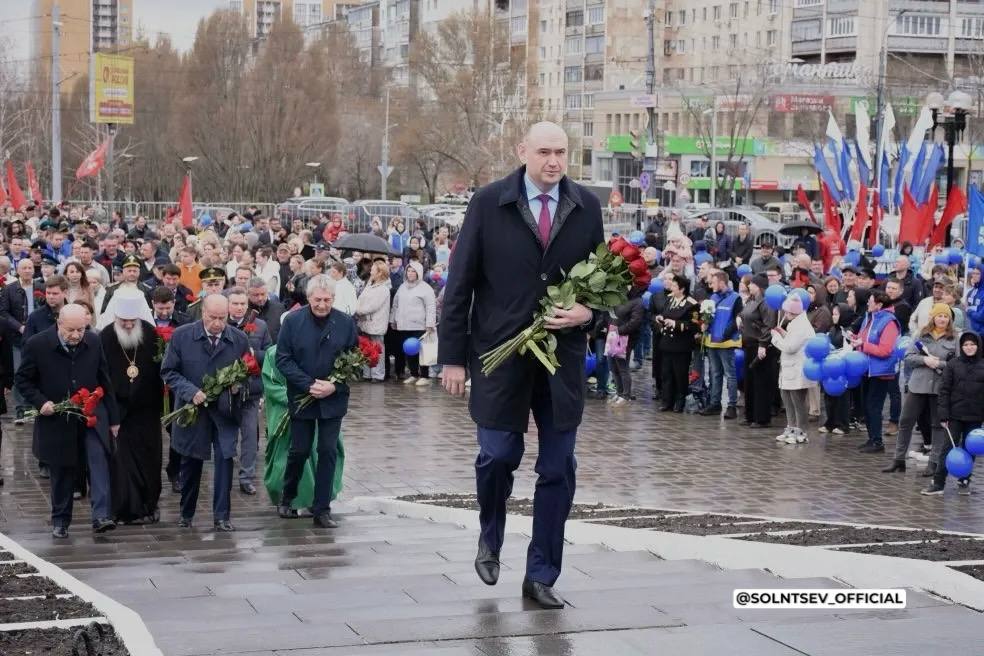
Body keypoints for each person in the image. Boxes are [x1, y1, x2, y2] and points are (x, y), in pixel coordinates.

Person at [438, 122, 604, 609]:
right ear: (522, 152)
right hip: (500, 355)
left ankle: (541, 574)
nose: (554, 161)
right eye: (544, 152)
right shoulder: (489, 203)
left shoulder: (587, 206)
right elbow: (460, 283)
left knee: (558, 467)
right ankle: (490, 536)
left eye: (562, 152)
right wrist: (452, 357)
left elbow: (606, 281)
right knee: (497, 455)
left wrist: (589, 313)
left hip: (561, 359)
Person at [15, 304, 120, 538]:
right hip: (57, 417)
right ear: (59, 324)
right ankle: (60, 520)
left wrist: (113, 418)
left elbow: (104, 378)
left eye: (80, 330)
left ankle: (101, 516)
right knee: (62, 470)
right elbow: (23, 380)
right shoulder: (38, 345)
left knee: (98, 460)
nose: (76, 336)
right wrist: (41, 402)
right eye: (70, 330)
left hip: (92, 415)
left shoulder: (93, 341)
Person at [161, 294, 250, 532]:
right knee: (190, 462)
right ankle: (186, 513)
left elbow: (251, 376)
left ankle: (222, 516)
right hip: (193, 411)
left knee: (225, 461)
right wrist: (190, 391)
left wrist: (238, 386)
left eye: (223, 318)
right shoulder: (182, 336)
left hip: (225, 413)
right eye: (213, 318)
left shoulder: (239, 339)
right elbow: (168, 371)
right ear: (203, 313)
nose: (218, 323)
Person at [275, 275, 357, 528]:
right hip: (303, 396)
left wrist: (335, 384)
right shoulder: (293, 321)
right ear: (308, 298)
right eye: (317, 299)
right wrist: (308, 384)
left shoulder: (345, 322)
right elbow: (283, 359)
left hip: (333, 397)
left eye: (327, 300)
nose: (322, 304)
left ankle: (322, 509)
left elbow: (355, 359)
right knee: (300, 449)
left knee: (327, 451)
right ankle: (287, 497)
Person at [101, 297, 164, 524]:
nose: (128, 325)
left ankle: (148, 505)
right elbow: (102, 373)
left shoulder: (150, 334)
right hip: (119, 411)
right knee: (122, 461)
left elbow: (159, 370)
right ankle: (126, 508)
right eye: (124, 321)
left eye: (132, 321)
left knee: (149, 457)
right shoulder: (106, 337)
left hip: (146, 410)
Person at [261, 343, 345, 513]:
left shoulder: (324, 348)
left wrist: (322, 391)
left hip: (319, 407)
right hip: (286, 410)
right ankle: (287, 500)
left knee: (323, 451)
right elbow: (271, 384)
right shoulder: (274, 352)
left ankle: (318, 499)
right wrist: (295, 399)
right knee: (288, 455)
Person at [883, 304, 955, 474]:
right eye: (939, 316)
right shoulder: (921, 335)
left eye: (945, 316)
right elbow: (908, 357)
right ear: (933, 317)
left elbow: (957, 363)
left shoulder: (955, 338)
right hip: (918, 385)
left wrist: (941, 364)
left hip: (940, 387)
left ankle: (934, 462)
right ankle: (899, 460)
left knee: (938, 425)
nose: (942, 319)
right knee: (906, 421)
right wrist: (925, 361)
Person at [925, 332, 984, 495]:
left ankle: (964, 479)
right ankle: (938, 482)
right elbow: (944, 390)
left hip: (975, 416)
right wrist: (943, 414)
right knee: (947, 447)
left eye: (972, 344)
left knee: (969, 448)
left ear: (978, 346)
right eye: (966, 344)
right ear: (961, 347)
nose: (969, 347)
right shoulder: (953, 364)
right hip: (954, 415)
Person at [227, 287, 272, 496]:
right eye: (235, 304)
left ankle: (246, 476)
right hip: (225, 391)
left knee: (249, 435)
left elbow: (271, 353)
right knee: (226, 436)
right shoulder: (221, 323)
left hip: (251, 389)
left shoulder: (260, 326)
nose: (239, 308)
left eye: (242, 304)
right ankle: (225, 473)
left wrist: (256, 354)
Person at [850, 290, 901, 454]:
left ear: (879, 305)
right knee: (867, 405)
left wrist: (863, 345)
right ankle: (872, 438)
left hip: (881, 371)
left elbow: (886, 350)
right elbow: (864, 337)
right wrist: (855, 338)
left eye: (870, 302)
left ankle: (877, 441)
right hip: (867, 369)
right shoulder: (869, 317)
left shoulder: (889, 322)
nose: (867, 304)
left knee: (874, 406)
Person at [771, 293, 815, 444]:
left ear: (793, 312)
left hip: (798, 369)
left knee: (798, 401)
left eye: (787, 312)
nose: (785, 314)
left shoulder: (802, 326)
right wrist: (783, 333)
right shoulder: (794, 323)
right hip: (789, 368)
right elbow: (791, 339)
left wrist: (776, 339)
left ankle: (801, 430)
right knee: (787, 397)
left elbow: (790, 347)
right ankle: (791, 427)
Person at [0, 258, 39, 423]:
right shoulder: (10, 289)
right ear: (18, 270)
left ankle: (34, 406)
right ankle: (21, 408)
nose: (28, 270)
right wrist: (19, 327)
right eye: (24, 268)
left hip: (38, 337)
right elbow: (3, 312)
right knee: (19, 371)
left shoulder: (41, 287)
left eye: (30, 267)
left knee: (37, 371)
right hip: (17, 338)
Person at [701, 270, 743, 419]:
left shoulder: (735, 298)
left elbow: (737, 319)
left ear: (722, 282)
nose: (711, 285)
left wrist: (725, 334)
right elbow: (710, 316)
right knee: (715, 373)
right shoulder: (713, 297)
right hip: (712, 341)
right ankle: (715, 403)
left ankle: (731, 405)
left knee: (730, 375)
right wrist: (705, 324)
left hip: (726, 342)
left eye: (713, 282)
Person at [655, 274, 699, 413]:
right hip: (667, 343)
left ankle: (680, 401)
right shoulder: (669, 300)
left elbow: (694, 325)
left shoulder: (691, 304)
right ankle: (667, 400)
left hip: (681, 345)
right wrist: (661, 319)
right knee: (666, 374)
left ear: (682, 289)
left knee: (680, 375)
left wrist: (676, 323)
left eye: (674, 286)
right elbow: (665, 314)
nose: (671, 287)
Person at [739, 274, 777, 428]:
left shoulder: (765, 302)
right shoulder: (751, 300)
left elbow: (768, 324)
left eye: (753, 284)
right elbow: (744, 314)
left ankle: (761, 417)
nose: (750, 286)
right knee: (750, 381)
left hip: (759, 345)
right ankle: (750, 414)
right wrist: (739, 317)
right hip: (748, 344)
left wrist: (763, 344)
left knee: (760, 382)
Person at [391, 261, 437, 386]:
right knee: (409, 350)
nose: (410, 273)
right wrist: (393, 320)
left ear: (419, 273)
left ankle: (424, 375)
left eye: (413, 271)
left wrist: (430, 323)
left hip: (420, 325)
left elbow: (430, 307)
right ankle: (413, 374)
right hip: (404, 325)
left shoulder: (425, 288)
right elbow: (395, 305)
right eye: (408, 271)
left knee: (421, 351)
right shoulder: (402, 287)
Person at [355, 260, 391, 382]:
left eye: (373, 269)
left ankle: (377, 375)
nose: (370, 271)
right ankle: (367, 373)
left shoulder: (384, 289)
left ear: (380, 272)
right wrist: (358, 308)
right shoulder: (369, 285)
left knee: (378, 349)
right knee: (366, 348)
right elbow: (360, 298)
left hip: (376, 323)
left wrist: (359, 311)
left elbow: (374, 305)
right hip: (365, 322)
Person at [608, 286, 645, 405]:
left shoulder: (637, 301)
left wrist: (619, 330)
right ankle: (619, 392)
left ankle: (626, 395)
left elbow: (635, 322)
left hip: (625, 337)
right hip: (613, 334)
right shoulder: (618, 297)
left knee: (622, 367)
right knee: (613, 366)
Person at [248, 277, 284, 343]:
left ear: (267, 293)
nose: (260, 298)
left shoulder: (279, 309)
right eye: (256, 295)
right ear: (248, 295)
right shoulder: (243, 311)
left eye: (263, 294)